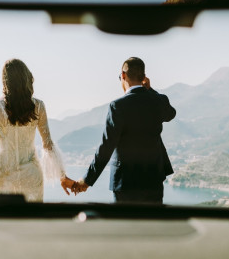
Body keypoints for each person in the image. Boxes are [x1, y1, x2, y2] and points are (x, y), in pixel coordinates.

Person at [71, 57, 176, 204]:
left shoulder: (117, 106)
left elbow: (107, 146)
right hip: (153, 180)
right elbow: (171, 114)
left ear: (123, 75)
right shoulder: (159, 101)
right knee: (152, 224)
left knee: (125, 225)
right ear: (144, 77)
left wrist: (87, 180)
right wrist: (150, 90)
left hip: (125, 183)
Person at [0, 59, 77, 202]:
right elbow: (47, 144)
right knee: (32, 222)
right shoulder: (38, 106)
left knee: (6, 223)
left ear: (5, 81)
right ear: (27, 78)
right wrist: (62, 176)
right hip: (32, 176)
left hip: (4, 177)